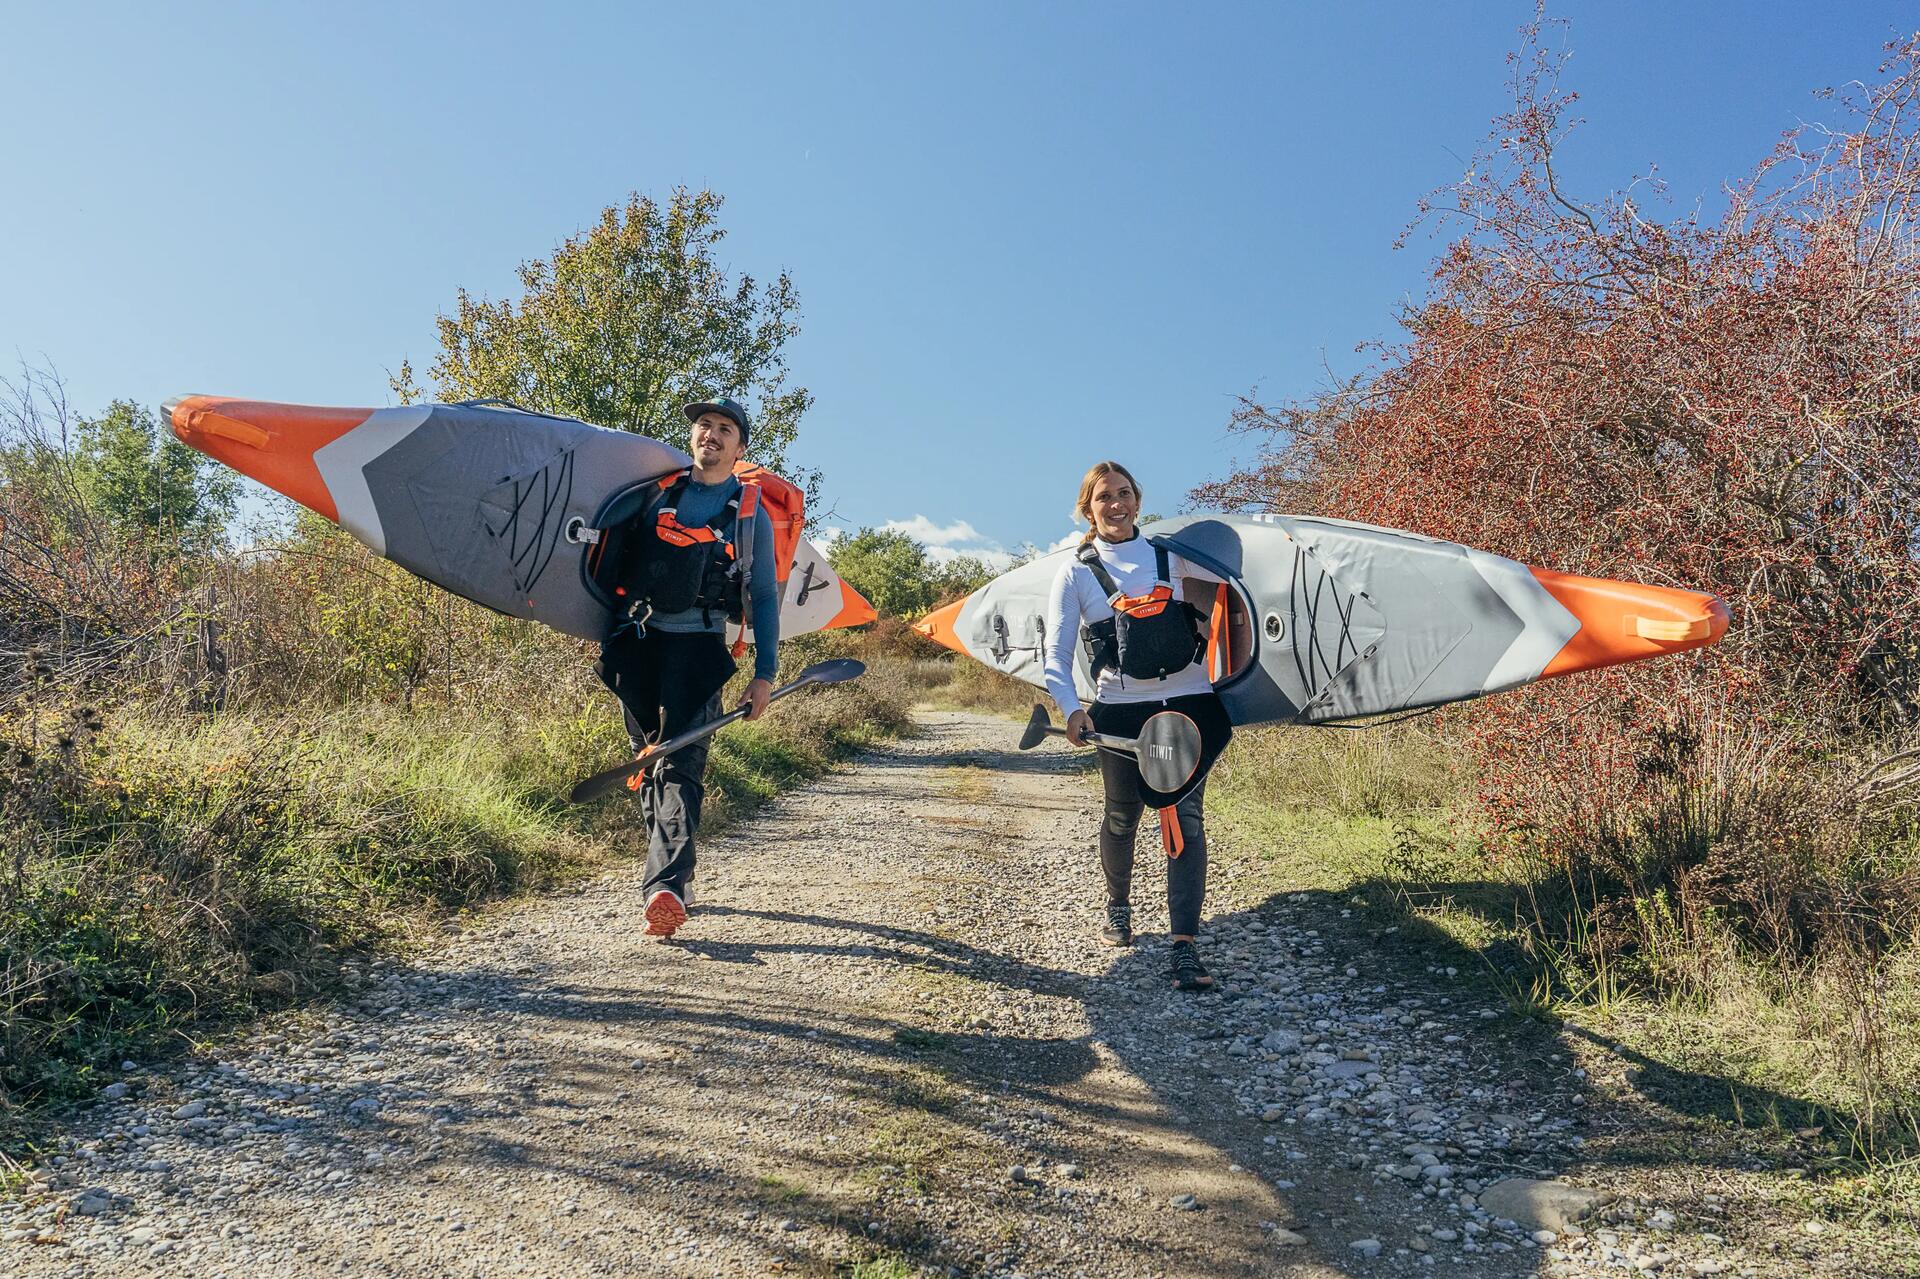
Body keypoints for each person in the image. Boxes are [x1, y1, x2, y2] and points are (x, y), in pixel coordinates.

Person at [1042, 461, 1232, 991]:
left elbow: (1238, 596)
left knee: (1182, 819)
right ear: (1088, 507)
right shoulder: (1077, 571)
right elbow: (1054, 653)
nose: (1117, 504)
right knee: (1122, 816)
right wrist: (1070, 710)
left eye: (1125, 494)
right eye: (1105, 497)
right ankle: (1119, 906)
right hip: (1121, 710)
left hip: (1190, 704)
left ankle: (1185, 948)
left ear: (1138, 500)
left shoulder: (1175, 559)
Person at [593, 396, 778, 939]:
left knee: (680, 763)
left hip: (698, 650)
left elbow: (764, 596)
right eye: (704, 426)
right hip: (637, 644)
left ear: (740, 448)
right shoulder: (654, 496)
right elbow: (604, 564)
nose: (712, 436)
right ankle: (676, 870)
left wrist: (764, 674)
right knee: (650, 763)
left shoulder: (749, 517)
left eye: (725, 429)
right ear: (692, 436)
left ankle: (665, 886)